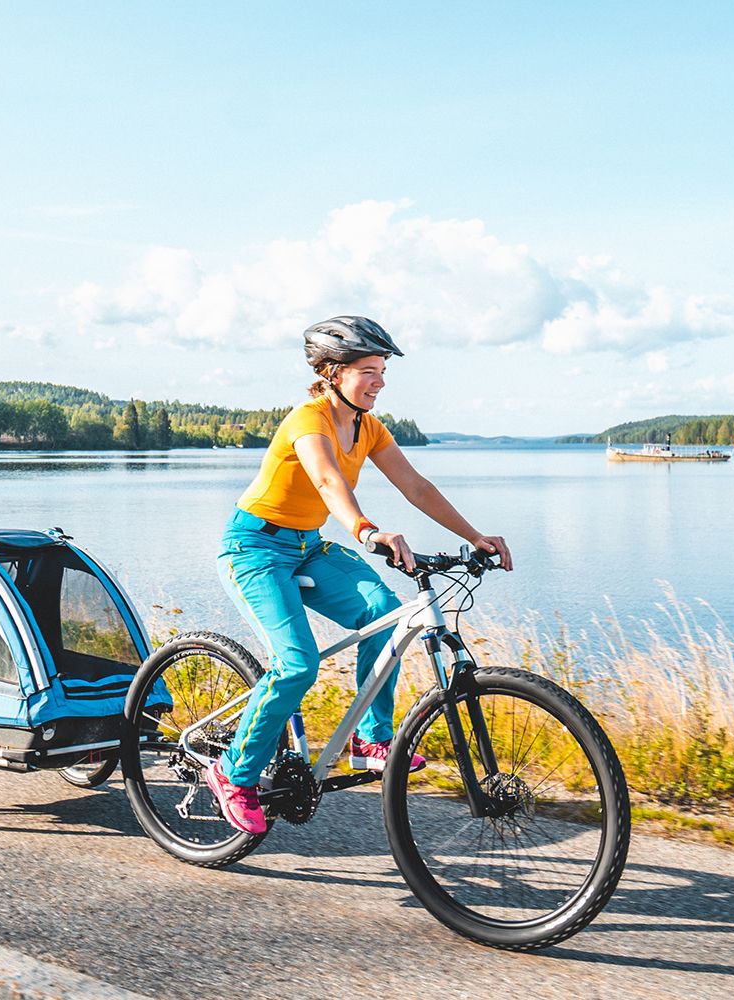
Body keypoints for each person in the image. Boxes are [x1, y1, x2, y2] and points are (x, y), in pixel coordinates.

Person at [203, 316, 512, 834]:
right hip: (253, 548)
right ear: (331, 372)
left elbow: (415, 485)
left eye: (382, 370)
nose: (380, 381)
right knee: (296, 665)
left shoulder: (368, 426)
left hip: (307, 545)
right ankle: (233, 773)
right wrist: (369, 532)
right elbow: (326, 480)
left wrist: (477, 535)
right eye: (368, 370)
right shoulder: (309, 419)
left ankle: (369, 741)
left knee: (387, 615)